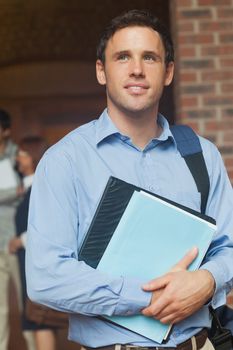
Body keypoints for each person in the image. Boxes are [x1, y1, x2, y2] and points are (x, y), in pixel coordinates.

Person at [26, 9, 233, 350]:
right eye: (123, 57)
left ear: (168, 72)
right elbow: (46, 277)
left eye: (149, 57)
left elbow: (228, 246)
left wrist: (208, 281)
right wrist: (152, 295)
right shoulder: (65, 161)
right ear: (101, 71)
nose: (136, 69)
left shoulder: (201, 155)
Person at [8, 136, 57, 350]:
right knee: (35, 321)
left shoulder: (41, 185)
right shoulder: (28, 187)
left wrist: (20, 240)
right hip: (28, 263)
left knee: (40, 320)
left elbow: (50, 225)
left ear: (34, 156)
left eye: (23, 154)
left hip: (37, 261)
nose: (17, 158)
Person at [0, 109, 23, 350]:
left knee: (27, 305)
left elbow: (27, 192)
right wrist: (10, 194)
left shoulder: (18, 157)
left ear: (5, 131)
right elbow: (16, 192)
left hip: (15, 242)